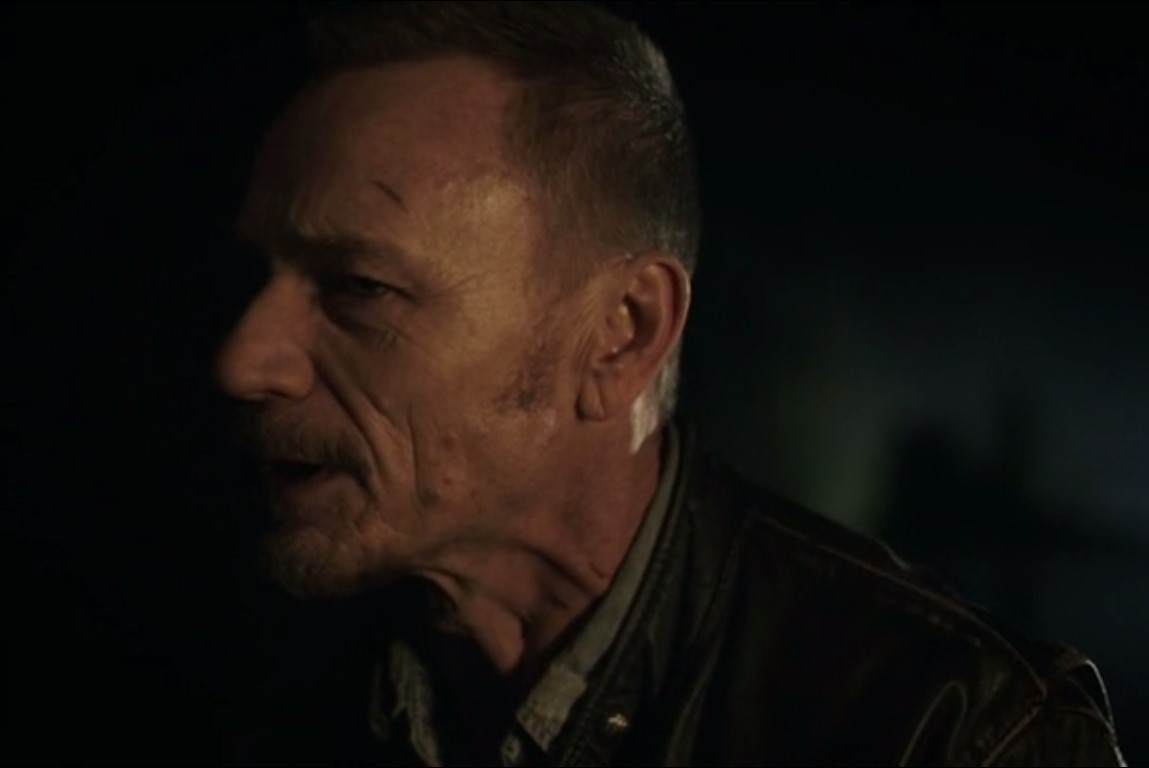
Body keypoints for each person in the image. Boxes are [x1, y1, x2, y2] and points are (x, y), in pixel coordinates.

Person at [214, 2, 1125, 765]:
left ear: (622, 334)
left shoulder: (955, 731)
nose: (245, 361)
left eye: (359, 287)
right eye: (261, 278)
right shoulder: (252, 671)